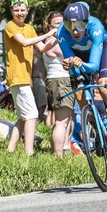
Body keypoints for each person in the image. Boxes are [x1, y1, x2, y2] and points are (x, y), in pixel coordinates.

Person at [58, 1, 107, 155]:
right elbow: (71, 63)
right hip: (79, 56)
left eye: (80, 24)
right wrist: (69, 64)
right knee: (79, 93)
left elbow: (93, 66)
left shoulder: (96, 27)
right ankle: (100, 134)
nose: (75, 30)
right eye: (69, 25)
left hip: (102, 51)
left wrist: (79, 64)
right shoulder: (61, 33)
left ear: (87, 21)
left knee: (104, 87)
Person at [5, 0, 57, 156]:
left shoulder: (29, 29)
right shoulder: (10, 26)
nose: (19, 13)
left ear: (27, 10)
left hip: (25, 78)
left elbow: (42, 48)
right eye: (16, 10)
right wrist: (49, 34)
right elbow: (25, 42)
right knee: (32, 114)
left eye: (22, 10)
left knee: (22, 117)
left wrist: (57, 37)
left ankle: (10, 149)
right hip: (16, 76)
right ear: (12, 11)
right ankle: (29, 152)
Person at [42, 11, 74, 157]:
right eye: (57, 23)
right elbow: (70, 55)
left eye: (63, 23)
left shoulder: (59, 39)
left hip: (63, 80)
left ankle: (64, 150)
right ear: (49, 26)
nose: (62, 26)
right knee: (61, 121)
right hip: (59, 80)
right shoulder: (52, 41)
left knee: (67, 119)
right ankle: (58, 155)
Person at [32, 45, 48, 123]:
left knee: (43, 103)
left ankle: (39, 121)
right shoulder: (34, 53)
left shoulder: (44, 52)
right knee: (41, 104)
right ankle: (38, 121)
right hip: (37, 80)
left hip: (44, 81)